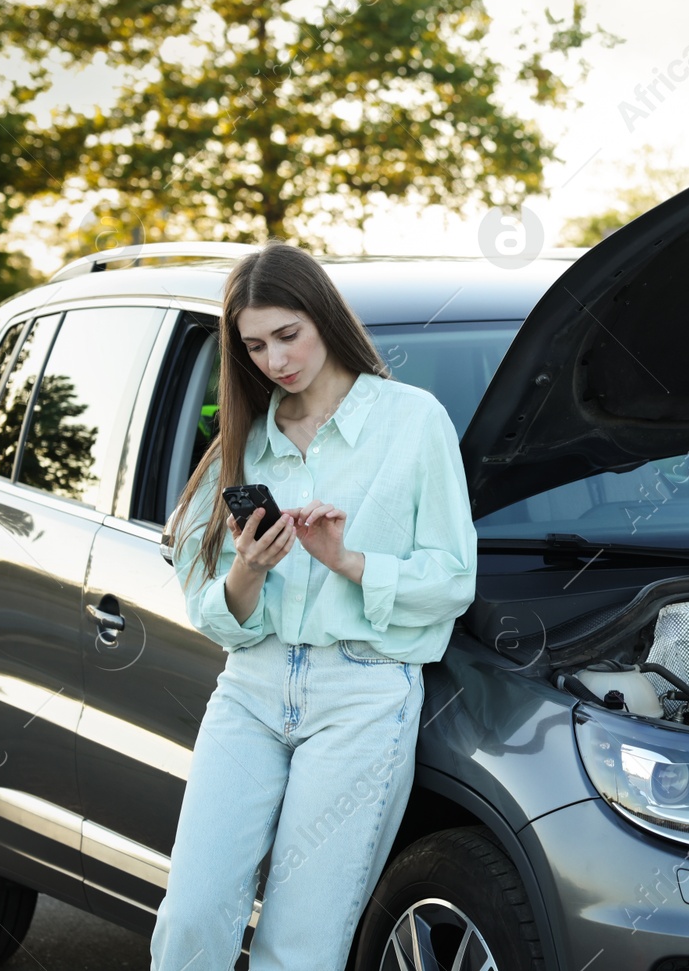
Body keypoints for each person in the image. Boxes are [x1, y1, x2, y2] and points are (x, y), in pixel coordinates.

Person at [151, 242, 477, 969]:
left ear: (324, 316)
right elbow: (209, 600)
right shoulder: (243, 436)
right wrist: (248, 571)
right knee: (191, 917)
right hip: (252, 690)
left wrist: (347, 561)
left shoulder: (414, 422)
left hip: (361, 695)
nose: (274, 360)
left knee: (299, 944)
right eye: (255, 344)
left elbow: (454, 577)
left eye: (287, 334)